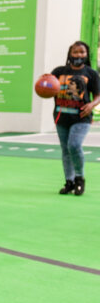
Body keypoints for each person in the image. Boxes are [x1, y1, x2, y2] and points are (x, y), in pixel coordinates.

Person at [49, 41, 99, 196]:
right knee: (65, 150)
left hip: (81, 117)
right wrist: (43, 86)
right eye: (75, 52)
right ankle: (69, 182)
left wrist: (91, 105)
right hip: (61, 116)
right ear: (70, 53)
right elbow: (48, 87)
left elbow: (98, 95)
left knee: (74, 145)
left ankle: (79, 178)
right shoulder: (58, 71)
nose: (78, 55)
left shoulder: (91, 73)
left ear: (86, 54)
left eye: (82, 52)